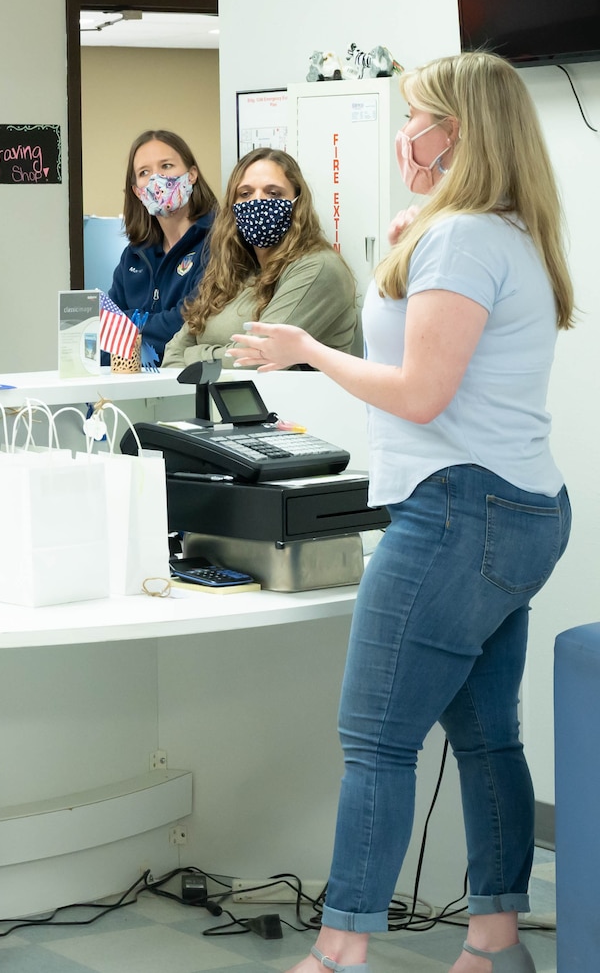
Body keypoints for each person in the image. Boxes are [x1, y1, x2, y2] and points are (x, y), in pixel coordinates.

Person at [229, 53, 572, 973]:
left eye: (415, 117)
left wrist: (308, 349)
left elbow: (420, 392)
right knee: (485, 731)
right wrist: (412, 240)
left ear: (454, 132)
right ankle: (494, 945)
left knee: (376, 739)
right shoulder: (499, 229)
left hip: (458, 509)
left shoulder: (462, 239)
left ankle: (338, 953)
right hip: (523, 506)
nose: (402, 134)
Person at [164, 147, 360, 366]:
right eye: (245, 194)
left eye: (273, 193)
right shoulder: (234, 272)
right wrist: (214, 356)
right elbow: (173, 352)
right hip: (217, 399)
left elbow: (257, 358)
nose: (257, 202)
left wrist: (194, 355)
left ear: (297, 202)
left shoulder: (318, 268)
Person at [106, 129, 217, 366]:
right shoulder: (134, 256)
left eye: (166, 166)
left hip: (189, 380)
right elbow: (104, 329)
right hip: (135, 385)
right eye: (144, 172)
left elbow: (187, 322)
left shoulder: (217, 241)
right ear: (137, 191)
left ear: (192, 175)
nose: (157, 179)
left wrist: (126, 327)